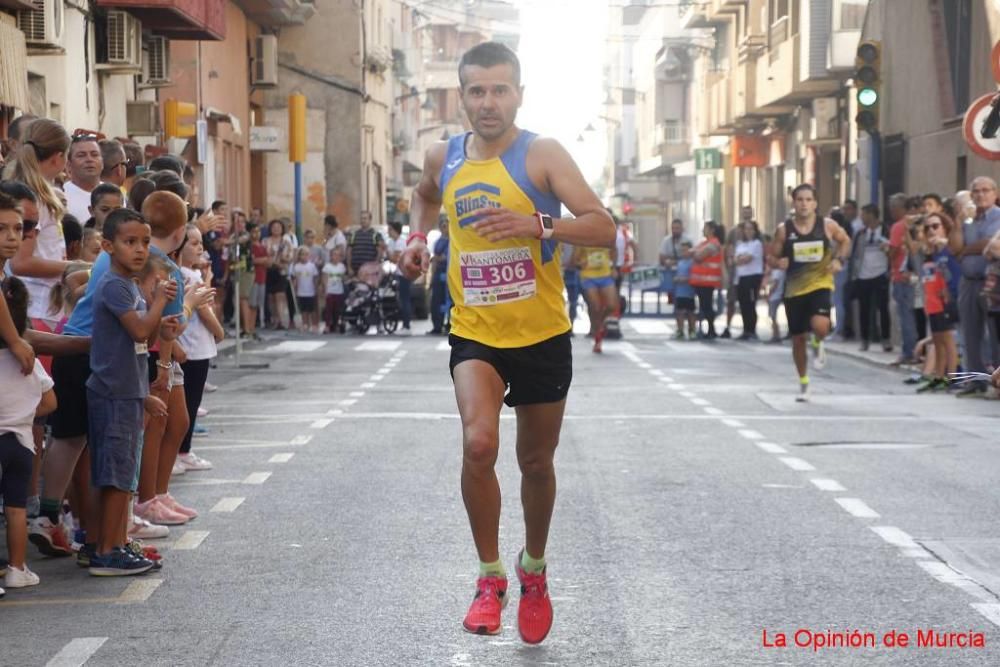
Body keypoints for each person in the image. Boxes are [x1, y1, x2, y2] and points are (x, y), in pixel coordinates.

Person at [398, 41, 615, 644]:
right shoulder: (444, 155)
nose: (487, 102)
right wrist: (417, 240)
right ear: (461, 95)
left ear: (519, 93)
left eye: (499, 90)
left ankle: (534, 570)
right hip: (475, 330)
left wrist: (538, 224)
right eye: (476, 91)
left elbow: (603, 227)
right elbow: (423, 196)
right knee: (478, 444)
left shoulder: (541, 154)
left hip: (542, 332)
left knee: (536, 463)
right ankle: (490, 576)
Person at [87, 208, 175, 575]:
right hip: (112, 393)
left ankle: (118, 541)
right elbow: (138, 331)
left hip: (127, 391)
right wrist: (157, 302)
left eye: (144, 242)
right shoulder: (113, 285)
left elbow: (145, 338)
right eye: (129, 242)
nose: (139, 250)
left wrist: (162, 325)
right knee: (116, 475)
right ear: (108, 245)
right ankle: (106, 549)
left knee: (123, 473)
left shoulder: (131, 287)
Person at [769, 184, 852, 402]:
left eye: (808, 200)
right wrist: (779, 262)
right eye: (800, 200)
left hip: (820, 284)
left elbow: (845, 242)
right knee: (798, 339)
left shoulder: (827, 225)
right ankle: (804, 382)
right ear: (794, 203)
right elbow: (770, 257)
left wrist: (838, 259)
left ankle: (818, 342)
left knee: (820, 325)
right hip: (794, 291)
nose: (804, 204)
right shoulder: (784, 229)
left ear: (815, 203)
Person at [0, 275, 55, 592]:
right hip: (21, 445)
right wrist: (22, 414)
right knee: (17, 510)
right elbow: (50, 400)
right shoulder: (29, 361)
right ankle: (17, 568)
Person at [177, 223, 223, 470]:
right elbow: (204, 310)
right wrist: (219, 332)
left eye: (200, 243)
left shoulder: (193, 274)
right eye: (193, 243)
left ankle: (183, 450)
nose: (199, 248)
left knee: (189, 403)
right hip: (194, 347)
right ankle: (183, 451)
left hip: (195, 346)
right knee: (189, 404)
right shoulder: (188, 275)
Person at [950, 178, 1000, 396]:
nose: (980, 195)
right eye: (976, 191)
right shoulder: (969, 220)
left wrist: (965, 250)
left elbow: (989, 243)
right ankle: (975, 380)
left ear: (995, 193)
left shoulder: (998, 216)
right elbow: (954, 247)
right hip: (968, 281)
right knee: (970, 334)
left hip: (991, 283)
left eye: (985, 190)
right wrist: (959, 223)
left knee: (995, 334)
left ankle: (997, 381)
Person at [911, 212, 961, 392]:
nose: (931, 230)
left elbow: (954, 273)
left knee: (948, 341)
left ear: (945, 228)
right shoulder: (930, 252)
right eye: (928, 227)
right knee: (938, 341)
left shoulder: (949, 248)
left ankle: (953, 378)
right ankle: (939, 376)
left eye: (935, 226)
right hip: (932, 302)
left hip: (945, 301)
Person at [887, 193, 919, 365]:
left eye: (893, 207)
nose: (891, 210)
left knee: (905, 315)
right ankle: (914, 351)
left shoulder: (899, 226)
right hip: (916, 275)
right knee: (913, 315)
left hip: (902, 275)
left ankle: (909, 352)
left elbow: (893, 251)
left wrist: (886, 250)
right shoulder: (915, 223)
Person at [573, 244, 617, 353]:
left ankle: (600, 324)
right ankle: (598, 339)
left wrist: (614, 267)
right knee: (596, 308)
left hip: (605, 275)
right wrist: (580, 264)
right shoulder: (582, 239)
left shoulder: (605, 235)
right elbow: (574, 260)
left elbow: (614, 250)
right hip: (588, 276)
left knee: (612, 306)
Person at [722, 207, 755, 338]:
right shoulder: (733, 232)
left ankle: (748, 329)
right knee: (731, 301)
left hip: (750, 274)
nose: (746, 215)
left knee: (748, 303)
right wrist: (728, 264)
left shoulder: (756, 233)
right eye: (744, 213)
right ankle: (728, 327)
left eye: (749, 213)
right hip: (735, 273)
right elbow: (727, 248)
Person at [689, 220, 724, 339]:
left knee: (706, 306)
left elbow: (698, 256)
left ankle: (711, 330)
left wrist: (693, 253)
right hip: (701, 281)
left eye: (705, 228)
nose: (703, 230)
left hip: (707, 281)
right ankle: (708, 329)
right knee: (704, 306)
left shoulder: (713, 243)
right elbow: (690, 252)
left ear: (711, 230)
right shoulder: (705, 243)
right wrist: (693, 252)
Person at [61, 133, 104, 222]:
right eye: (81, 155)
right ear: (69, 165)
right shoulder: (62, 196)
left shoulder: (115, 193)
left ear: (102, 163)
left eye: (94, 154)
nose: (89, 159)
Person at [733, 220, 765, 340]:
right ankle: (746, 329)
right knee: (743, 304)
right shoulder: (740, 244)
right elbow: (735, 260)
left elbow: (748, 259)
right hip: (741, 277)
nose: (748, 231)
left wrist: (741, 258)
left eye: (751, 229)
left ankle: (752, 330)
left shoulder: (757, 244)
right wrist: (740, 258)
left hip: (753, 276)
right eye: (746, 229)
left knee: (751, 304)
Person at [265, 219, 293, 329]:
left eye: (278, 227)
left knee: (280, 295)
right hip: (269, 270)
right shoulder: (266, 241)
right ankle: (274, 319)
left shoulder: (286, 242)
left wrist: (283, 259)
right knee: (271, 297)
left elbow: (290, 256)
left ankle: (282, 320)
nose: (276, 229)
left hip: (281, 271)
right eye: (274, 227)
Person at [428, 217, 450, 335]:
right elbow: (435, 261)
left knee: (449, 303)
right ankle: (437, 325)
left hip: (449, 275)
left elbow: (443, 257)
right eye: (441, 226)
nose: (443, 228)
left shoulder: (452, 242)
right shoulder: (438, 242)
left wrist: (436, 258)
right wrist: (431, 278)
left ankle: (449, 325)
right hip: (438, 275)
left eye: (445, 226)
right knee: (436, 302)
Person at [346, 211, 385, 275]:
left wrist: (374, 267)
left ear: (370, 220)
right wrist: (349, 267)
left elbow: (380, 253)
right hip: (355, 271)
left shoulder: (376, 235)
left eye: (365, 218)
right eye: (361, 218)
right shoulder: (354, 235)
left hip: (369, 273)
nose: (363, 220)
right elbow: (348, 252)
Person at [291, 247, 320, 332]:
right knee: (304, 310)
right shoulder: (296, 267)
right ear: (299, 256)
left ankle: (314, 325)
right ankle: (305, 324)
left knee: (312, 310)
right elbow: (294, 279)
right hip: (301, 292)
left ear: (309, 255)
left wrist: (316, 289)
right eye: (302, 254)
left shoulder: (312, 266)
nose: (304, 256)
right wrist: (295, 289)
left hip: (311, 292)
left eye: (306, 254)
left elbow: (315, 278)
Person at [673, 240, 696, 340]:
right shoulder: (680, 263)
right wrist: (677, 279)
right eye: (682, 251)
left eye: (686, 250)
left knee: (690, 312)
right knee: (679, 312)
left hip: (689, 292)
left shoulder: (692, 263)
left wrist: (685, 279)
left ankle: (692, 330)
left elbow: (693, 276)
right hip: (679, 292)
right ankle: (680, 330)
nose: (684, 252)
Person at [322, 245, 347, 333]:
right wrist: (325, 290)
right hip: (330, 291)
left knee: (337, 310)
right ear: (331, 256)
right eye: (334, 255)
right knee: (329, 309)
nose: (336, 257)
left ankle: (335, 325)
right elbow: (324, 279)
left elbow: (343, 278)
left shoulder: (342, 267)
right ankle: (327, 326)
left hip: (339, 291)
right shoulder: (327, 267)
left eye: (338, 255)